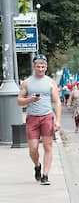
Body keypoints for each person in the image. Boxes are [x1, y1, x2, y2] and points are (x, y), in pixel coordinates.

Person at [17, 54, 62, 186]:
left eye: (43, 66)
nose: (41, 69)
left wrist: (58, 121)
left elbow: (57, 102)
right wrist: (30, 99)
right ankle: (37, 165)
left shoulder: (51, 82)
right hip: (32, 118)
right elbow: (19, 101)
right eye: (38, 66)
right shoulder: (27, 82)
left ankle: (45, 175)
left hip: (47, 117)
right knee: (33, 149)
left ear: (46, 67)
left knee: (48, 146)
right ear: (34, 67)